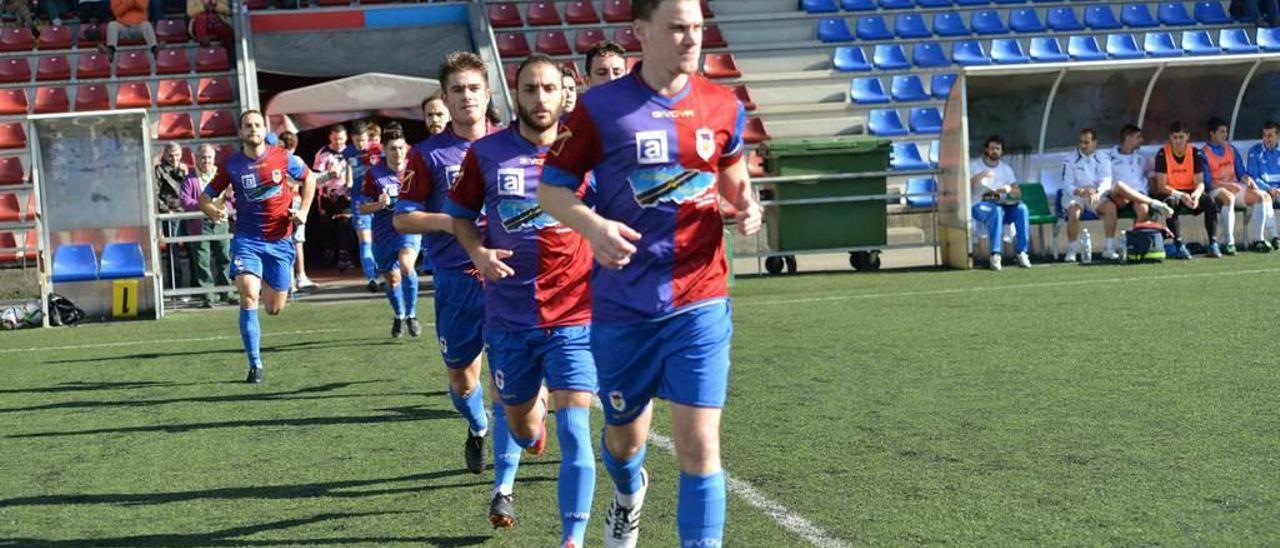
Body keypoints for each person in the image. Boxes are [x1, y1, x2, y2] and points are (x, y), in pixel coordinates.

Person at [538, 1, 763, 546]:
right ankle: (627, 489)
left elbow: (733, 176)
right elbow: (551, 189)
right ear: (641, 32)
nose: (691, 39)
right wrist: (593, 227)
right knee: (623, 440)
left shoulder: (721, 104)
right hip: (623, 305)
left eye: (698, 28)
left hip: (701, 295)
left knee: (700, 444)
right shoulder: (600, 110)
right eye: (677, 28)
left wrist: (747, 204)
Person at [447, 55, 597, 546]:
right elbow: (462, 215)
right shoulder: (487, 153)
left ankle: (572, 540)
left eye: (548, 89)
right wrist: (477, 251)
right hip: (509, 318)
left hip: (574, 313)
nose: (539, 98)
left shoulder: (588, 153)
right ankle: (531, 425)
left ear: (563, 94)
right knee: (523, 425)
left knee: (577, 430)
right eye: (530, 89)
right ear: (516, 95)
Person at [394, 51, 498, 475]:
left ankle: (507, 475)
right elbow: (402, 216)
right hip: (456, 280)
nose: (467, 96)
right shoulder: (427, 154)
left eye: (474, 88)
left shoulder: (512, 143)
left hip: (508, 277)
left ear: (488, 93)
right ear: (445, 97)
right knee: (462, 379)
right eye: (458, 90)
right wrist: (454, 223)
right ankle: (478, 428)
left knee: (515, 378)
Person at [197, 110, 316, 384]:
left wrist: (304, 211)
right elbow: (205, 197)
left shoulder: (283, 157)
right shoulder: (232, 165)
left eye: (257, 125)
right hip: (247, 240)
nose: (253, 129)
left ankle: (264, 278)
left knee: (274, 308)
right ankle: (255, 364)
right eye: (247, 125)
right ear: (241, 132)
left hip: (280, 240)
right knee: (248, 294)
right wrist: (212, 211)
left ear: (265, 129)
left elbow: (309, 178)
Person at [359, 130, 423, 338]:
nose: (398, 152)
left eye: (401, 147)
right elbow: (362, 208)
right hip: (384, 231)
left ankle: (412, 315)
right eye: (393, 148)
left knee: (406, 265)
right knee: (392, 279)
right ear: (384, 151)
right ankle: (399, 315)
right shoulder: (374, 174)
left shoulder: (415, 170)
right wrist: (379, 204)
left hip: (408, 226)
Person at [1152, 121, 1218, 259]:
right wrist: (1181, 195)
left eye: (1181, 137)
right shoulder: (1162, 154)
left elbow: (1200, 182)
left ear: (1187, 136)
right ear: (1170, 137)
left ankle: (1213, 242)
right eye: (1175, 137)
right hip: (1171, 193)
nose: (1178, 141)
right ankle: (1179, 244)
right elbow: (1161, 186)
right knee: (1170, 204)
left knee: (1210, 202)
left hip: (1190, 192)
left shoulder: (1195, 153)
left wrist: (1196, 195)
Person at [1204, 117, 1270, 253]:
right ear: (1212, 133)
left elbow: (1241, 172)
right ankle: (1229, 242)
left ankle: (1259, 239)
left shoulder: (1231, 149)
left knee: (1260, 196)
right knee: (1228, 197)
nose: (1225, 135)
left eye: (1226, 132)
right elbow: (1207, 182)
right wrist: (1226, 185)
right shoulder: (1203, 153)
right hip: (1216, 189)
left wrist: (1247, 179)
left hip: (1234, 187)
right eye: (1222, 132)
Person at [181, 144, 233, 308]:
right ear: (196, 159)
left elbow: (234, 198)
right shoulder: (190, 179)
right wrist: (205, 206)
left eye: (209, 157)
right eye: (203, 157)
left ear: (214, 158)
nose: (206, 160)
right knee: (202, 261)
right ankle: (208, 297)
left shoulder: (223, 175)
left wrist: (229, 201)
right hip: (200, 223)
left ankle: (228, 293)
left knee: (225, 257)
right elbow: (185, 201)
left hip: (221, 221)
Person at [969, 135, 1030, 270]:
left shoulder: (1006, 169)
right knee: (996, 211)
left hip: (1002, 205)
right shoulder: (974, 165)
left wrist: (1007, 189)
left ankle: (1022, 252)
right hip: (979, 205)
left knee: (1022, 209)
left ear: (1001, 151)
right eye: (992, 148)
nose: (994, 151)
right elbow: (965, 186)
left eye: (997, 149)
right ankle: (995, 254)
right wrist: (980, 176)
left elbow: (1017, 192)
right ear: (986, 150)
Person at [1061, 128, 1121, 262]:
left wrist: (1098, 192)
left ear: (1095, 142)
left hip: (1096, 195)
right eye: (1081, 142)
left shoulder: (1104, 158)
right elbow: (1066, 184)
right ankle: (1071, 251)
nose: (1083, 145)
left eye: (1086, 142)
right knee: (1074, 212)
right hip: (1075, 196)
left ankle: (1108, 249)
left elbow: (1106, 180)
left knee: (1111, 208)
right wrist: (1081, 191)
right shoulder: (1069, 159)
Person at [1107, 125, 1176, 227]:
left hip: (1138, 195)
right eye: (1138, 137)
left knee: (1143, 210)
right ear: (1128, 137)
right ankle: (1154, 203)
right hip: (1119, 197)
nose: (1142, 140)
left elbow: (1151, 177)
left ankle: (1136, 239)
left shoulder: (1141, 158)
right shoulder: (1109, 158)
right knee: (1119, 185)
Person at [348, 120, 383, 293]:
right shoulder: (348, 153)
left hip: (377, 201)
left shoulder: (377, 151)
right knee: (365, 241)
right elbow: (343, 176)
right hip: (359, 202)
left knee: (380, 238)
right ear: (352, 139)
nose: (361, 144)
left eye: (363, 140)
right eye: (357, 141)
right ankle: (372, 278)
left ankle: (383, 272)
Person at [1246, 120, 1280, 251]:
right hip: (1264, 190)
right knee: (1265, 199)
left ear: (1278, 136)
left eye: (1270, 135)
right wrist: (1268, 188)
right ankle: (1274, 237)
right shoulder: (1255, 152)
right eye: (1264, 135)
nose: (1267, 139)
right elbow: (1253, 177)